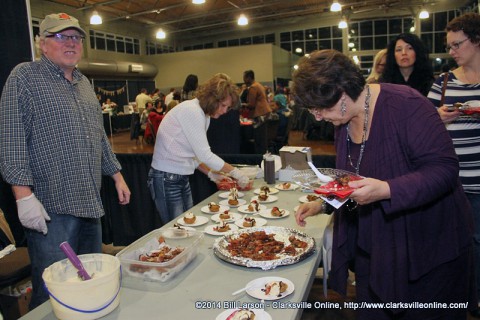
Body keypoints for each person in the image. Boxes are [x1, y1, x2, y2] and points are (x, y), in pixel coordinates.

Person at [292, 49, 475, 319]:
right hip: (378, 246)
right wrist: (324, 202)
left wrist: (387, 190)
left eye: (321, 109)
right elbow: (353, 175)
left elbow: (444, 169)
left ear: (343, 93)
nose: (317, 117)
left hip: (427, 249)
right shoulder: (342, 120)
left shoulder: (407, 105)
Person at [0, 12, 131, 308]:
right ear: (42, 44)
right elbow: (11, 140)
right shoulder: (24, 77)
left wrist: (117, 175)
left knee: (89, 284)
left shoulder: (84, 83)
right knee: (53, 293)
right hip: (51, 209)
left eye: (75, 37)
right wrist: (23, 197)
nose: (70, 43)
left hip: (89, 203)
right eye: (61, 37)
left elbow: (97, 136)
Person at [427, 12, 480, 318]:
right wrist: (439, 118)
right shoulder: (443, 82)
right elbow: (420, 126)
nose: (452, 51)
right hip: (450, 181)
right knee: (455, 242)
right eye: (449, 46)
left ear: (476, 40)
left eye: (457, 44)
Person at [147, 73, 249, 223]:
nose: (224, 111)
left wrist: (210, 174)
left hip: (178, 177)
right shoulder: (193, 111)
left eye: (227, 107)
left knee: (187, 226)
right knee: (176, 230)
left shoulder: (202, 114)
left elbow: (193, 154)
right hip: (166, 178)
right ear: (212, 99)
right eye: (223, 106)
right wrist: (236, 173)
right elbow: (205, 155)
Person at [242, 70, 272, 154]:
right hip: (265, 113)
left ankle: (259, 158)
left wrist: (242, 104)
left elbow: (251, 104)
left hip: (259, 114)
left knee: (259, 139)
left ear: (248, 77)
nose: (243, 80)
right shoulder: (259, 85)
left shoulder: (253, 87)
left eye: (244, 77)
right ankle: (264, 156)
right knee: (263, 138)